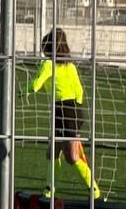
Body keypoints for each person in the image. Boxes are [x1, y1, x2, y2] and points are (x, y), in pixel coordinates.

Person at [31, 28, 100, 199]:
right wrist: (75, 112)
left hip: (63, 113)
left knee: (72, 156)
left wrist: (21, 91)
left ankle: (94, 191)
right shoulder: (71, 66)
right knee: (53, 151)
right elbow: (80, 92)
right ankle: (49, 189)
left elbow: (35, 85)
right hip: (73, 110)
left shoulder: (48, 64)